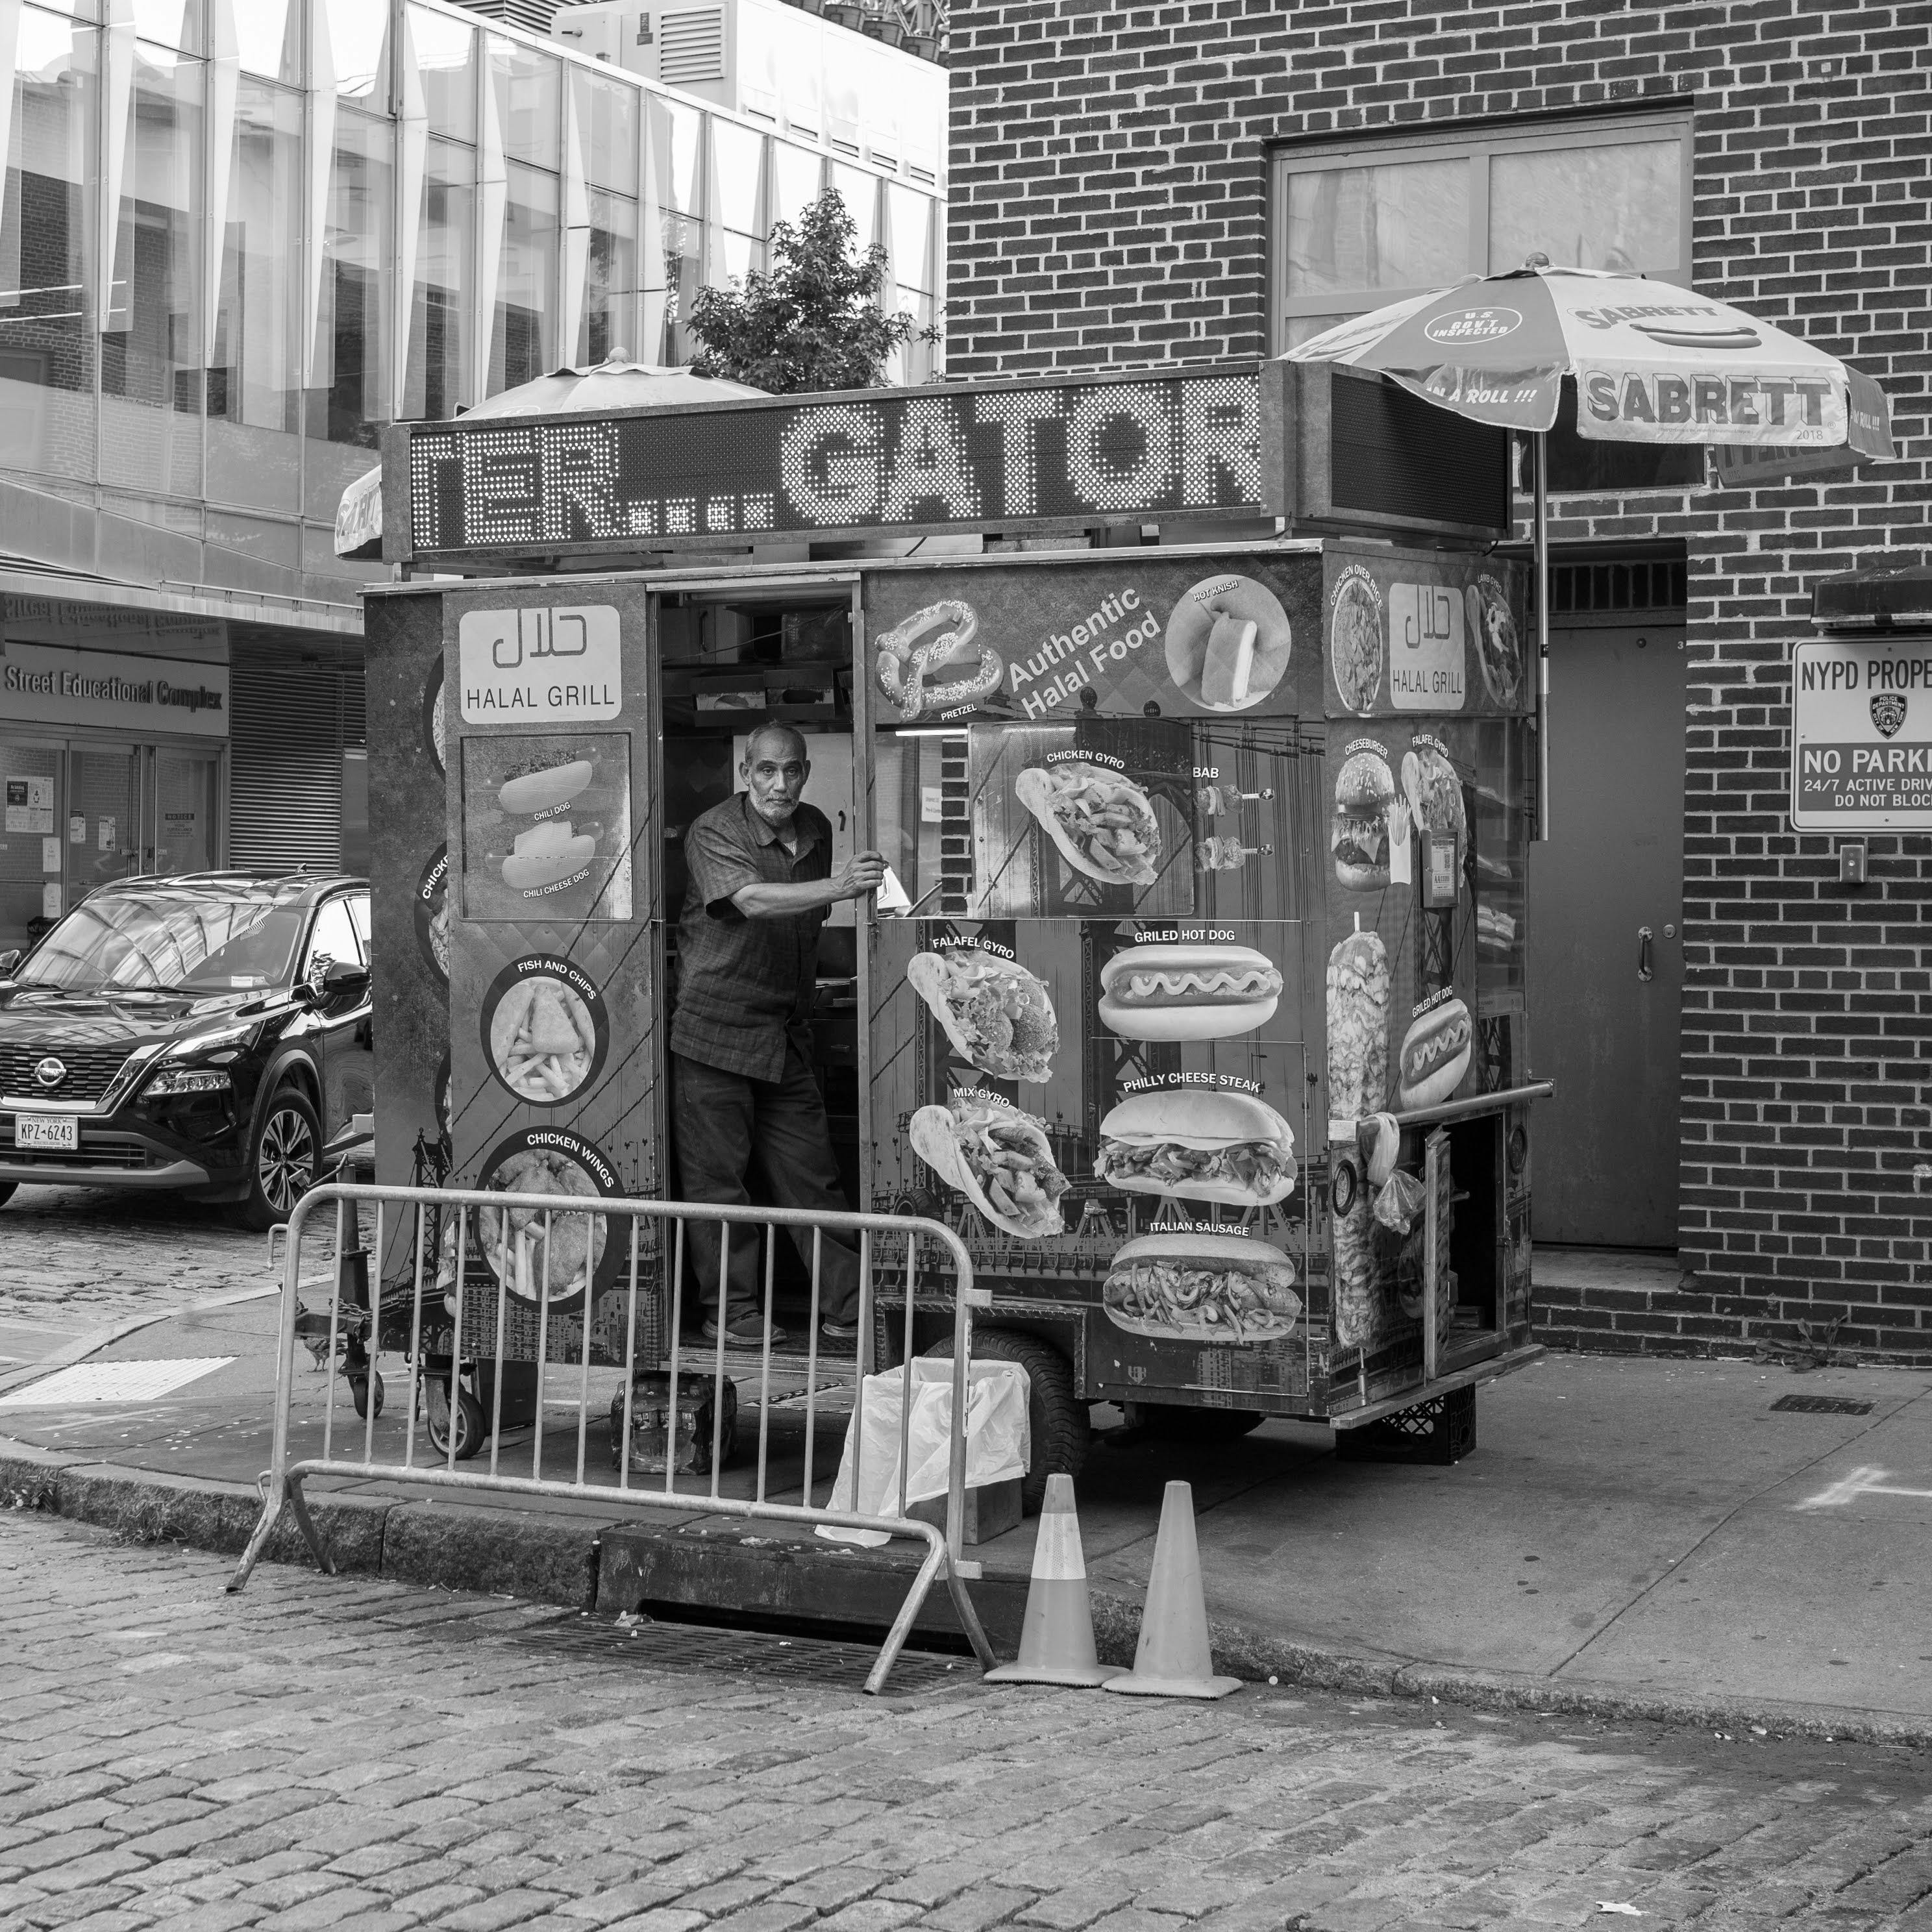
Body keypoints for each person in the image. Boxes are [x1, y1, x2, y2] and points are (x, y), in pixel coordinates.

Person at [670, 724, 887, 1346]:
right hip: (715, 1034)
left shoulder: (814, 828)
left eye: (791, 771)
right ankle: (731, 1312)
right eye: (767, 770)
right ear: (746, 772)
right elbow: (755, 901)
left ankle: (849, 1309)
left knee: (811, 1175)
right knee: (720, 1182)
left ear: (807, 773)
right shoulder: (716, 830)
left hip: (784, 1034)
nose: (779, 784)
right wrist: (841, 886)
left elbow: (806, 918)